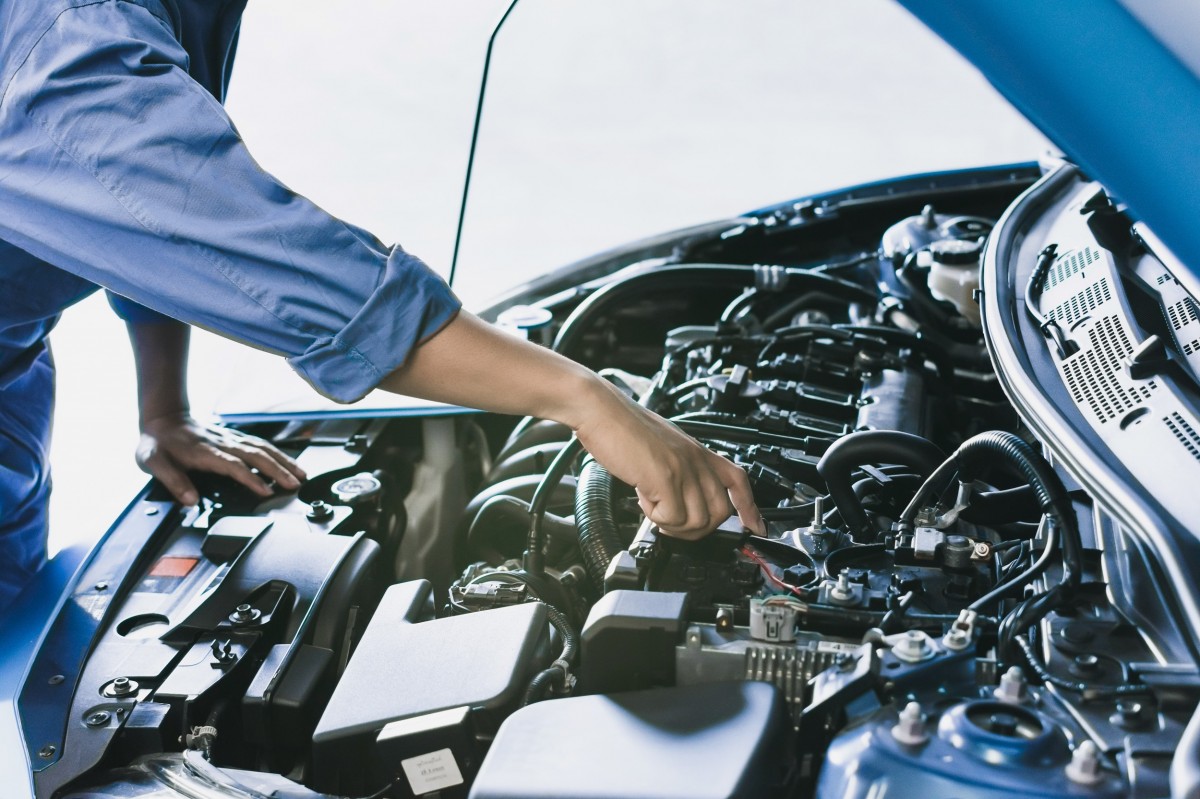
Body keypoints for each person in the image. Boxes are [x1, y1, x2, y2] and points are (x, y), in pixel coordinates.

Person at [0, 0, 762, 610]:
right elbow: (295, 271)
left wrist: (164, 407)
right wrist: (587, 401)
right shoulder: (66, 53)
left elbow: (144, 216)